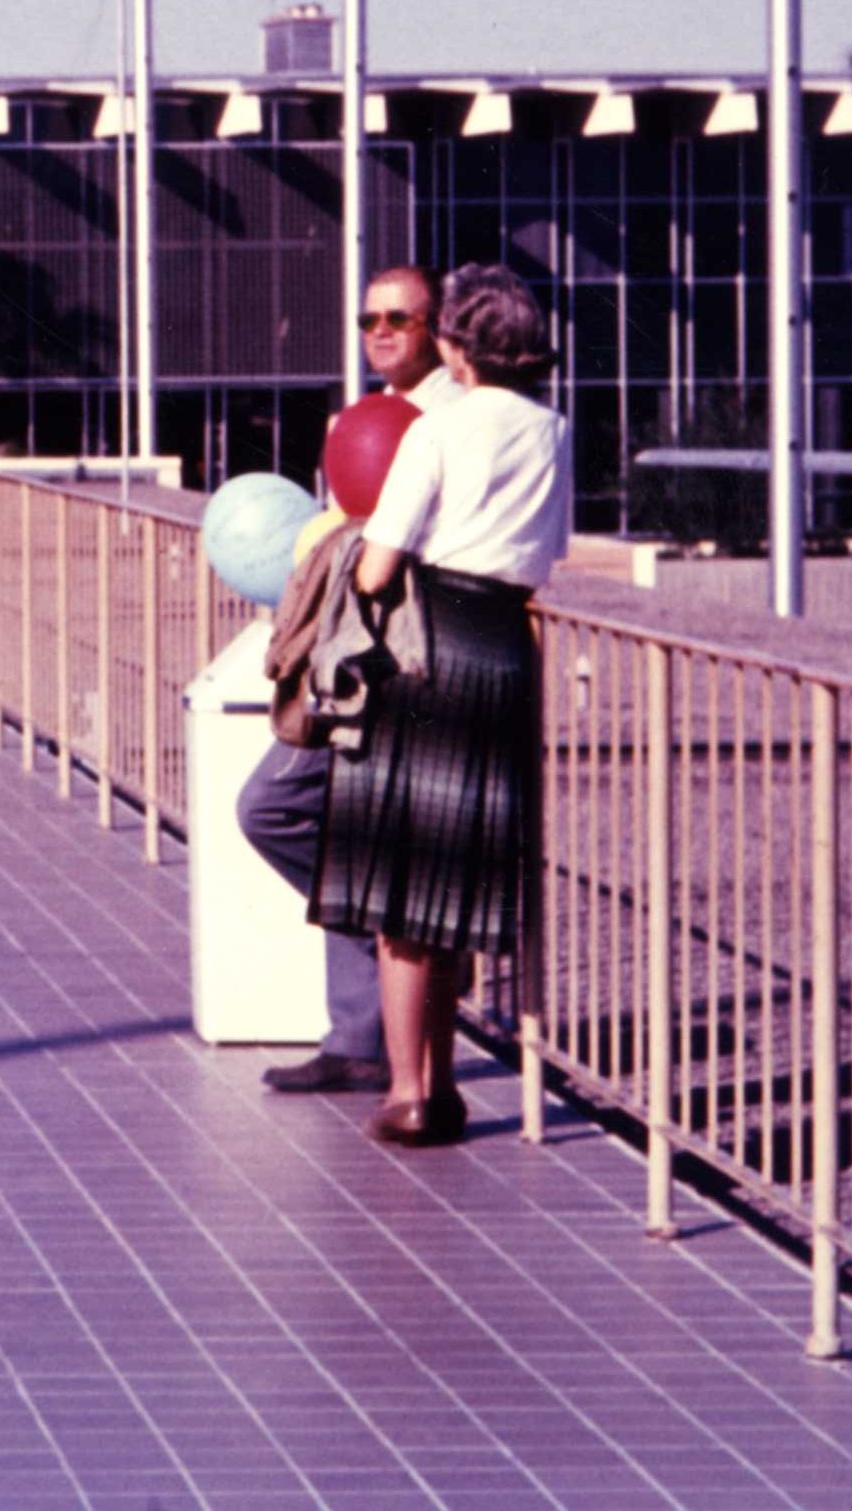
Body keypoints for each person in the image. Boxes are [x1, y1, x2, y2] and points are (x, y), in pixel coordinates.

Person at [315, 263, 571, 1149]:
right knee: (459, 878)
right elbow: (550, 547)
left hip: (427, 647)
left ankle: (409, 1089)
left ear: (456, 344)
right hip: (503, 647)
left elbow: (379, 564)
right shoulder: (551, 427)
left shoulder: (436, 427)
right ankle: (447, 1082)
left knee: (398, 886)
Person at [239, 265, 456, 1101]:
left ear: (435, 325)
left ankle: (392, 962)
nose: (379, 331)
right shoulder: (367, 415)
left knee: (273, 805)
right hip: (342, 642)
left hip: (387, 648)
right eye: (369, 317)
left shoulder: (442, 419)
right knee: (337, 823)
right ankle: (361, 1030)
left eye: (399, 317)